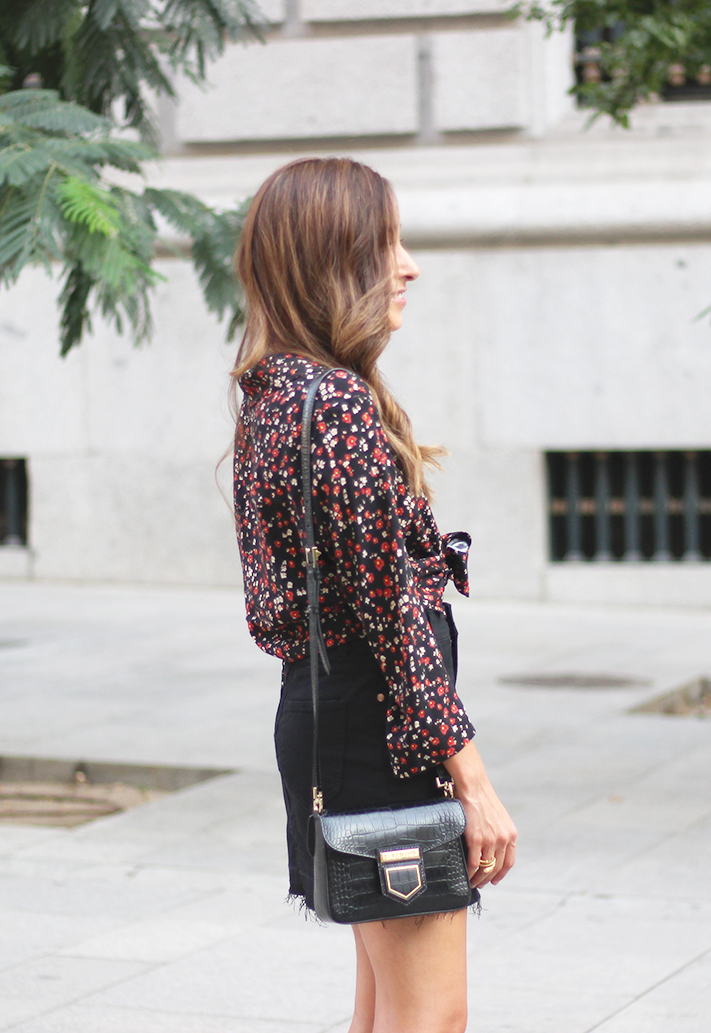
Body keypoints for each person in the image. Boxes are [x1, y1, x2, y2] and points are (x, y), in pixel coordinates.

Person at [230, 156, 517, 1033]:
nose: (410, 264)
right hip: (381, 731)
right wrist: (473, 781)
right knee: (432, 1019)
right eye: (386, 243)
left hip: (333, 720)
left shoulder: (274, 391)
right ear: (335, 263)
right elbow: (392, 617)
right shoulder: (338, 406)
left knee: (386, 1013)